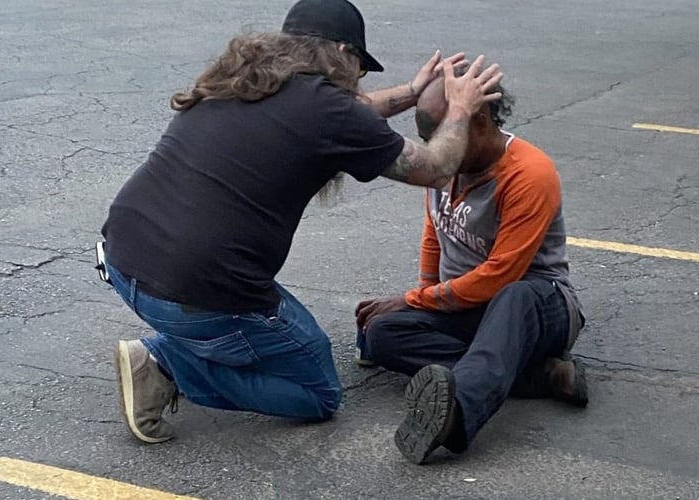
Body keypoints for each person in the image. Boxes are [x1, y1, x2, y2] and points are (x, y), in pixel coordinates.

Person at [99, 0, 504, 444]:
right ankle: (165, 365)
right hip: (193, 292)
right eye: (359, 68)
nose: (357, 80)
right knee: (315, 391)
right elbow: (436, 167)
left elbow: (352, 114)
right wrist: (461, 108)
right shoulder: (326, 109)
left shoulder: (242, 80)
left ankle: (192, 344)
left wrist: (411, 91)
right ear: (344, 53)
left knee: (260, 338)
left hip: (124, 261)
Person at [355, 72, 588, 464]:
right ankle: (540, 377)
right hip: (469, 305)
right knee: (383, 333)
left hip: (537, 304)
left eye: (440, 136)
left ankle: (458, 413)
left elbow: (501, 274)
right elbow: (434, 235)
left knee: (513, 296)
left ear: (478, 123)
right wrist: (421, 301)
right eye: (428, 139)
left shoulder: (529, 173)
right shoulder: (443, 165)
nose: (432, 149)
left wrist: (416, 298)